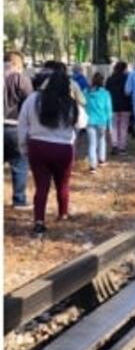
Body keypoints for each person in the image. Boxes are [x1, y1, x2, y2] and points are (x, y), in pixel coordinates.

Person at [17, 66, 88, 235]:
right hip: (63, 149)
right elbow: (82, 122)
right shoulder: (70, 103)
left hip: (38, 146)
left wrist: (23, 146)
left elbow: (22, 123)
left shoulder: (34, 99)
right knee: (62, 184)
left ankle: (39, 221)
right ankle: (63, 213)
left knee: (41, 186)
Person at [5, 51, 34, 209]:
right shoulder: (21, 79)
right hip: (14, 126)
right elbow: (29, 103)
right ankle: (19, 199)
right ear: (16, 64)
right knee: (19, 163)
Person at [85, 72, 113, 173]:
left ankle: (93, 165)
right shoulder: (105, 93)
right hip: (102, 120)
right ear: (103, 81)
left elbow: (84, 105)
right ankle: (102, 159)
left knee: (92, 143)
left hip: (90, 120)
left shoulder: (86, 92)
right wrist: (110, 125)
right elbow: (108, 110)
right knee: (102, 140)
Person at [106, 61, 133, 154]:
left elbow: (107, 92)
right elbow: (129, 92)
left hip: (113, 105)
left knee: (114, 126)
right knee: (123, 127)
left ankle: (114, 145)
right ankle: (122, 147)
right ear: (124, 69)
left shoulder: (110, 79)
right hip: (125, 106)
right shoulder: (127, 78)